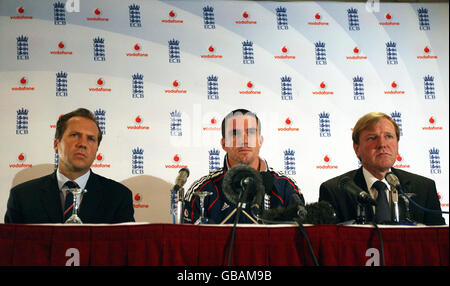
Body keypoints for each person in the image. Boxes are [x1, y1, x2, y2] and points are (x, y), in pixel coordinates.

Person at [5, 108, 135, 224]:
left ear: (96, 150)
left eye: (90, 139)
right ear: (56, 144)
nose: (82, 144)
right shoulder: (23, 196)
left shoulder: (118, 197)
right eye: (75, 135)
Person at [319, 112, 445, 225]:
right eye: (372, 138)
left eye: (389, 136)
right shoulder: (334, 191)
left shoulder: (424, 188)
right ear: (357, 148)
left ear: (397, 144)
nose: (382, 144)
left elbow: (439, 242)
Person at [184, 109, 304, 224]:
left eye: (251, 132)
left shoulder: (286, 187)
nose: (244, 140)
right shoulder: (201, 190)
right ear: (224, 143)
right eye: (235, 133)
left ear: (260, 141)